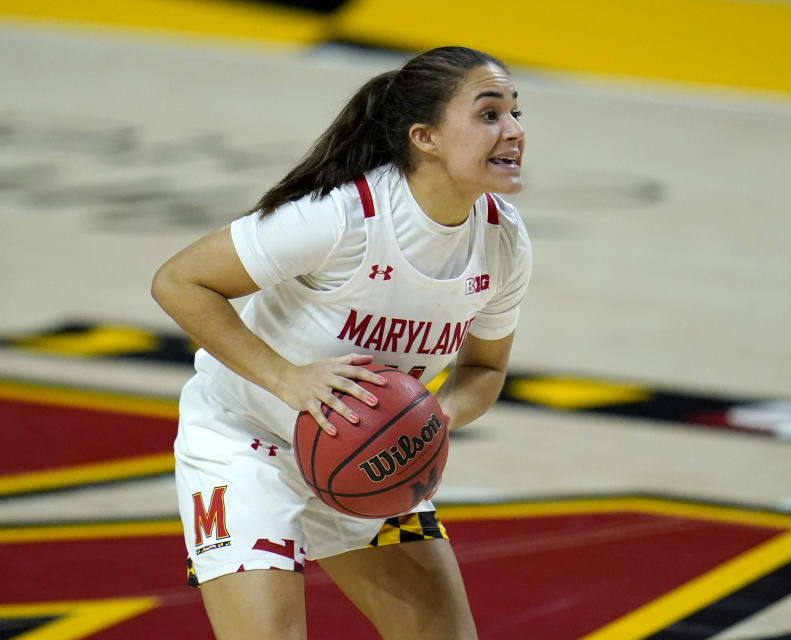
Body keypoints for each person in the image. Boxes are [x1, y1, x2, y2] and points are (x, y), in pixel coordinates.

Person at [151, 46, 532, 639]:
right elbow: (180, 281)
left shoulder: (503, 241)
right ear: (425, 138)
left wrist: (435, 416)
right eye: (489, 115)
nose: (513, 131)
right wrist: (288, 379)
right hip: (246, 443)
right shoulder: (342, 216)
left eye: (515, 113)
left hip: (369, 460)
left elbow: (484, 367)